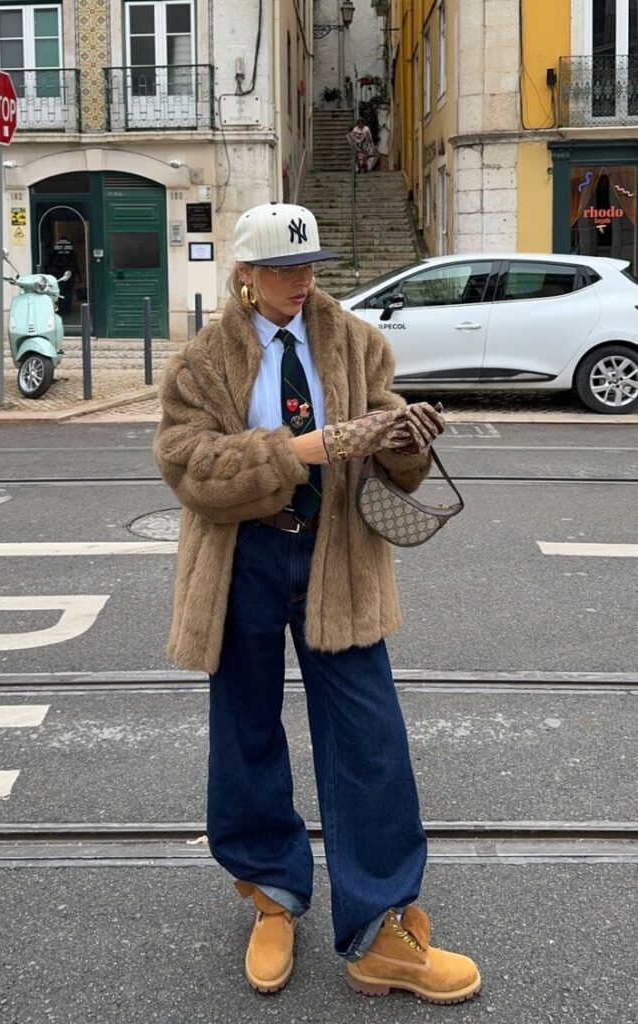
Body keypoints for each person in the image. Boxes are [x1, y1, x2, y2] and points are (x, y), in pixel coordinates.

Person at [153, 202, 481, 1005]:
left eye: (310, 267)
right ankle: (271, 890)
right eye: (283, 270)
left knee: (369, 735)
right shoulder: (201, 362)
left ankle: (382, 931)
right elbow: (188, 468)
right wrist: (303, 449)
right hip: (243, 557)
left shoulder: (358, 343)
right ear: (245, 276)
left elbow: (385, 463)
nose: (302, 283)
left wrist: (405, 444)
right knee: (246, 732)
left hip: (339, 554)